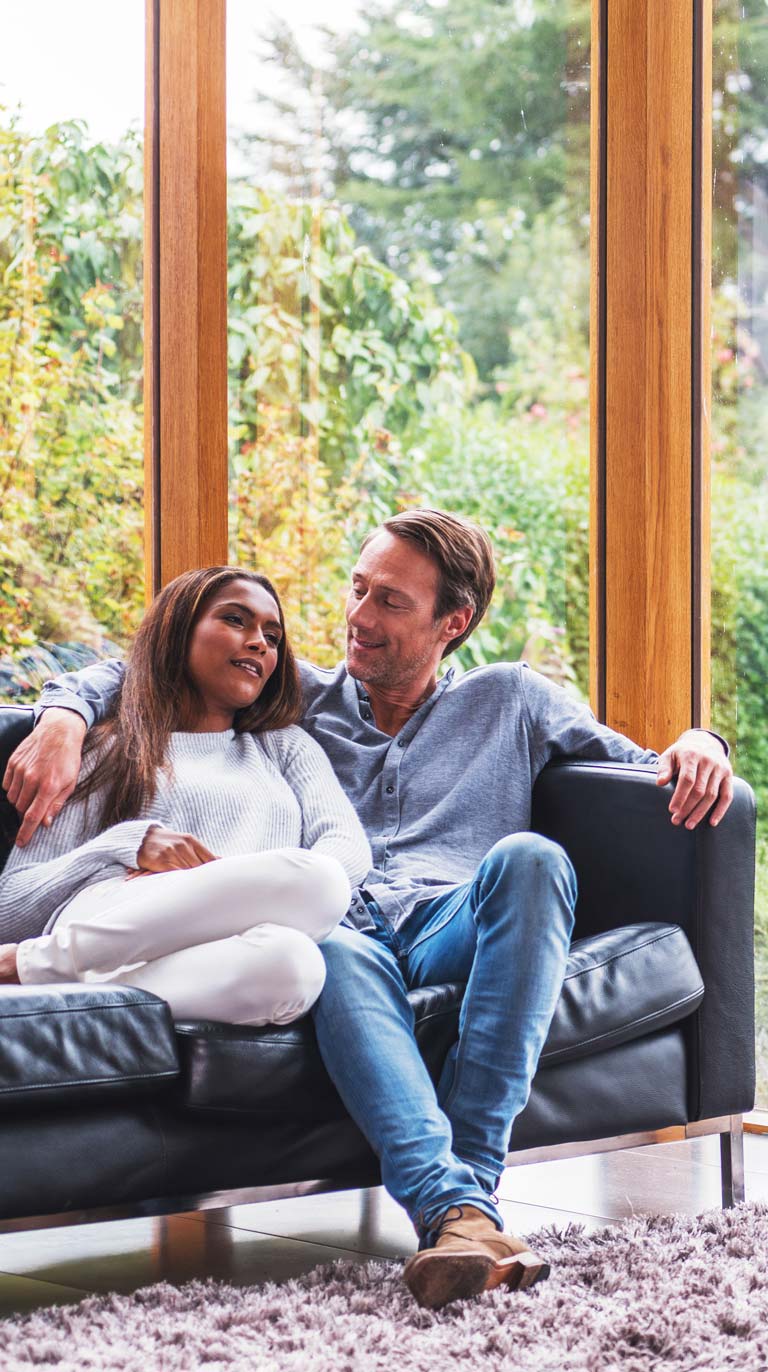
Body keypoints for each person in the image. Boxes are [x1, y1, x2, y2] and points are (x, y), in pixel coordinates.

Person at [3, 511, 733, 1309]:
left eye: (390, 601)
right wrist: (64, 716)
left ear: (452, 622)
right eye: (357, 589)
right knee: (329, 949)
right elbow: (151, 656)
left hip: (450, 921)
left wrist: (706, 742)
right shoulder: (297, 697)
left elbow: (644, 765)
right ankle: (460, 1218)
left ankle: (464, 1193)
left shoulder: (513, 698)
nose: (359, 616)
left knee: (534, 860)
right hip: (341, 932)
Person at [0, 566, 370, 1028]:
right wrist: (128, 844)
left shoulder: (286, 747)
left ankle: (43, 976)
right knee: (318, 880)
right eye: (235, 619)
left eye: (272, 637)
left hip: (223, 946)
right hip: (113, 911)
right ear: (178, 631)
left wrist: (231, 890)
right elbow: (9, 904)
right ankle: (34, 963)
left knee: (296, 965)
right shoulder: (111, 747)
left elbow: (347, 850)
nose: (260, 643)